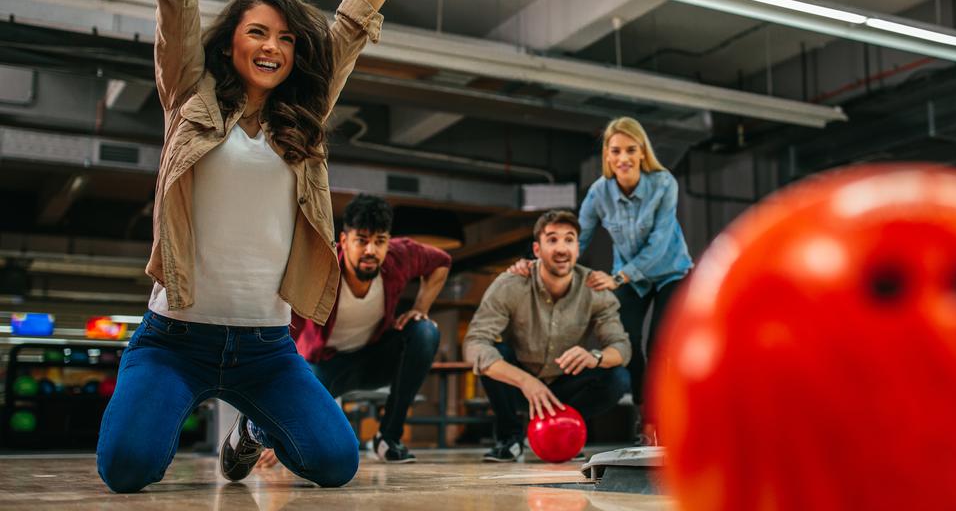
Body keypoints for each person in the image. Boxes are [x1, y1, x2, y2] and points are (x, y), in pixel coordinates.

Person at [95, 0, 435, 492]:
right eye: (258, 32)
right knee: (128, 469)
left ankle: (253, 429)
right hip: (175, 340)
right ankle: (178, 409)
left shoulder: (303, 118)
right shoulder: (189, 96)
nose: (274, 47)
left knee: (335, 464)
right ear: (230, 43)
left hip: (265, 347)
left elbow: (350, 25)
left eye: (284, 38)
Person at [511, 118, 691, 445]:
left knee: (660, 344)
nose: (623, 158)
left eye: (630, 150)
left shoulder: (664, 184)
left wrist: (619, 276)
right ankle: (644, 415)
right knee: (628, 343)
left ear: (642, 153)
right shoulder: (599, 192)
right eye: (615, 151)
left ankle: (662, 419)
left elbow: (661, 242)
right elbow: (577, 236)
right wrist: (540, 265)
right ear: (607, 156)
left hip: (670, 271)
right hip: (629, 279)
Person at [242, 194, 451, 471]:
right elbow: (287, 338)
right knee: (297, 435)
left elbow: (441, 262)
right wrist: (279, 421)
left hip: (374, 358)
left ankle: (388, 438)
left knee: (425, 331)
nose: (371, 251)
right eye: (362, 241)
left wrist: (420, 307)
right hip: (324, 366)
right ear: (343, 241)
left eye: (380, 242)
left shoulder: (399, 257)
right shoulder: (322, 271)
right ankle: (259, 433)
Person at [465, 210, 631, 462]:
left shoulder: (594, 289)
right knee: (495, 354)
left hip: (566, 387)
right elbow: (474, 343)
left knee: (618, 376)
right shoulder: (510, 284)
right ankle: (510, 439)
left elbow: (621, 347)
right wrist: (524, 381)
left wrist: (594, 357)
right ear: (536, 249)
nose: (561, 248)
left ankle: (566, 429)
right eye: (552, 240)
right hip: (520, 387)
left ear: (578, 247)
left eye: (569, 239)